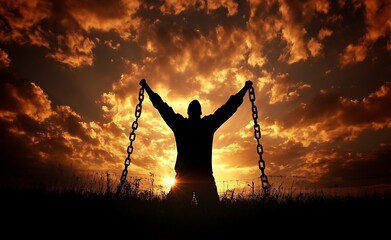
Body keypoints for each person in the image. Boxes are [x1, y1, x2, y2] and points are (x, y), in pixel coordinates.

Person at [139, 79, 253, 207]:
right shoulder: (207, 125)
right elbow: (227, 108)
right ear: (200, 112)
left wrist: (146, 87)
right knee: (211, 214)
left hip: (184, 178)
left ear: (188, 112)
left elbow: (162, 107)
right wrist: (244, 89)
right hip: (203, 178)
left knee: (173, 214)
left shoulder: (181, 125)